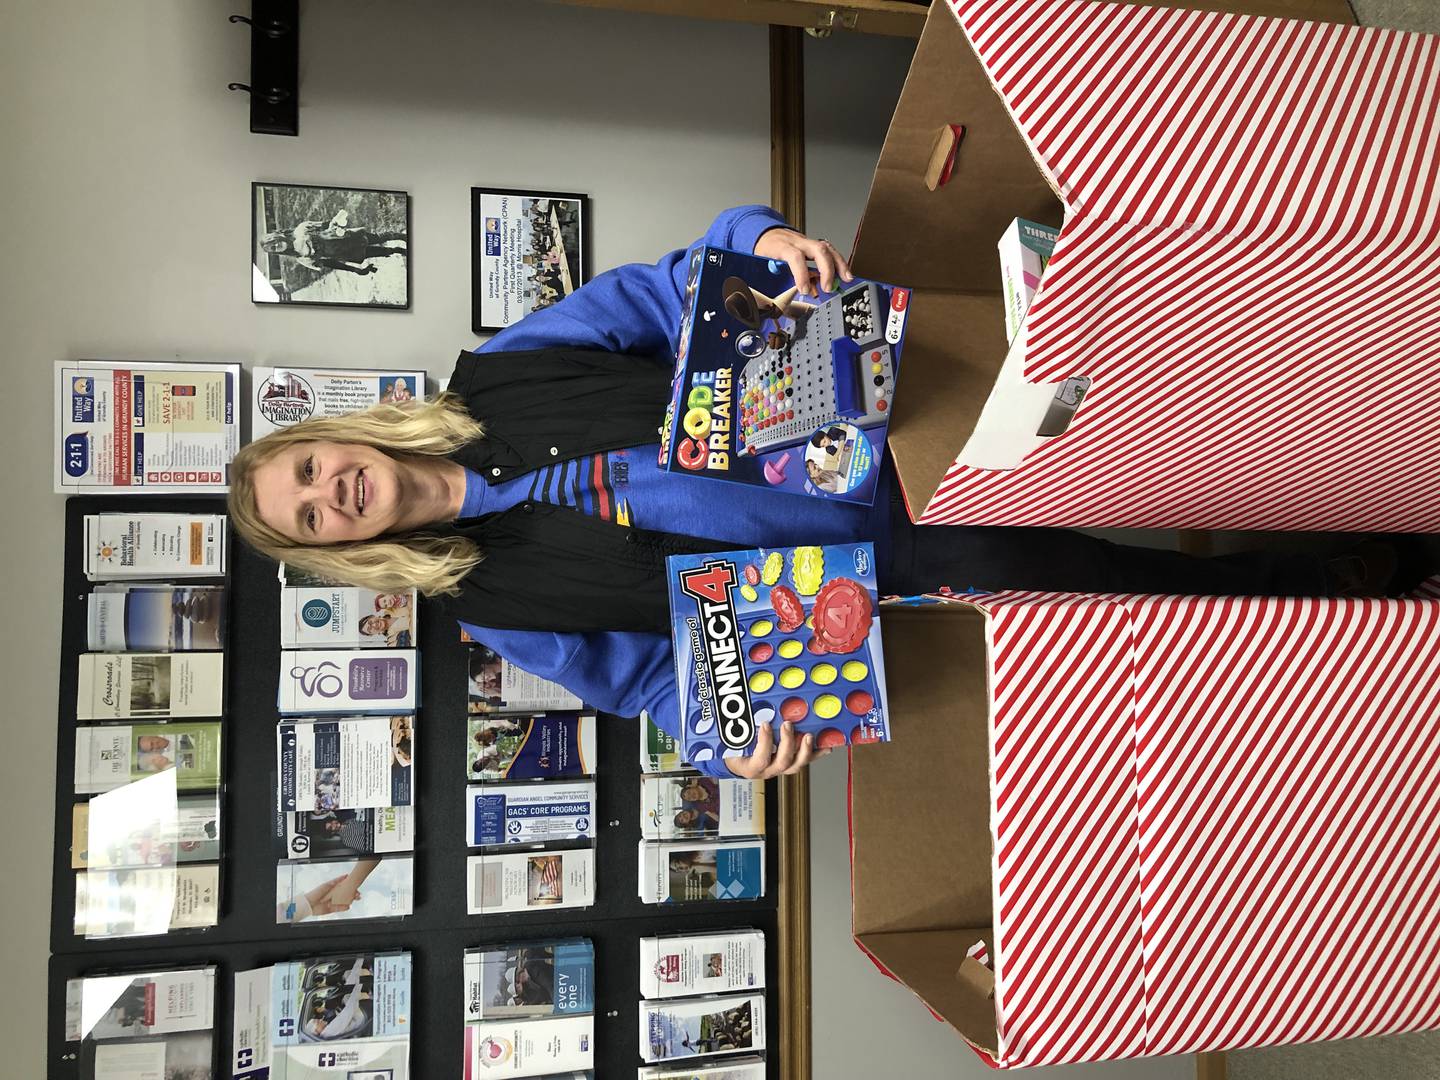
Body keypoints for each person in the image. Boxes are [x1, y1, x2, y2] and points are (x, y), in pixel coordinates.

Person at [227, 206, 1426, 783]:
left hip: (893, 429)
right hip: (875, 573)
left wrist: (771, 243)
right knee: (1118, 584)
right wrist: (727, 744)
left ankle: (1367, 479)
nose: (335, 492)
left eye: (312, 470)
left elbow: (672, 291)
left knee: (1154, 449)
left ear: (336, 437)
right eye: (316, 517)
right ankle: (1345, 585)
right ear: (342, 546)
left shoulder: (504, 368)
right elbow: (659, 678)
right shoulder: (490, 606)